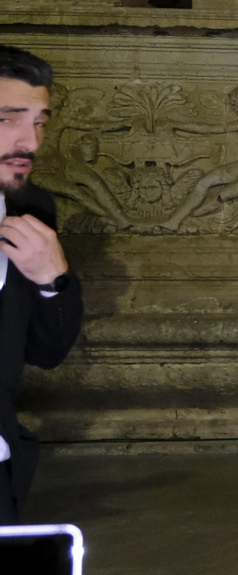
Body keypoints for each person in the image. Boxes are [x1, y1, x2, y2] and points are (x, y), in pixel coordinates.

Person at [0, 46, 84, 525]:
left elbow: (46, 352)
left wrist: (54, 280)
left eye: (39, 122)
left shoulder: (32, 209)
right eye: (8, 119)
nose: (29, 141)